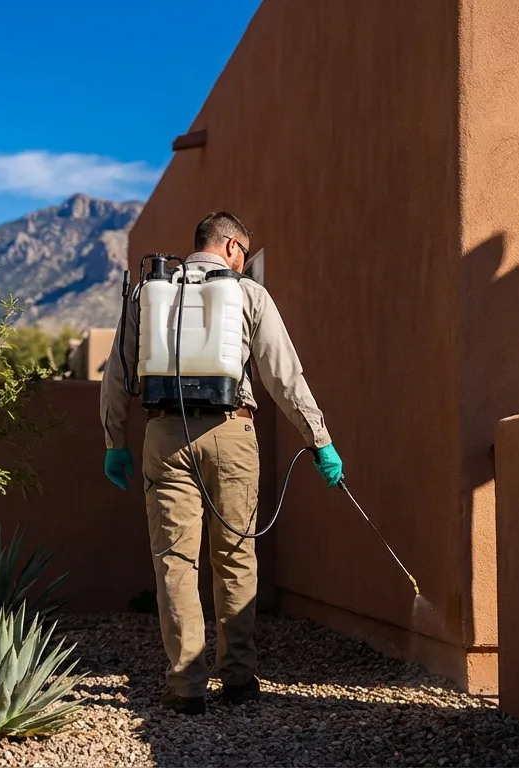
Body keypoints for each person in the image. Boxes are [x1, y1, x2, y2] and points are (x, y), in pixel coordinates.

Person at [98, 211, 343, 715]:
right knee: (234, 557)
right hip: (232, 433)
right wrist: (319, 440)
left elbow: (118, 373)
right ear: (231, 247)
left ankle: (186, 687)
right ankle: (237, 679)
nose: (245, 261)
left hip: (164, 435)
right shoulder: (249, 294)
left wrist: (113, 442)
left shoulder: (149, 292)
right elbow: (283, 373)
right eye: (245, 253)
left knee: (175, 563)